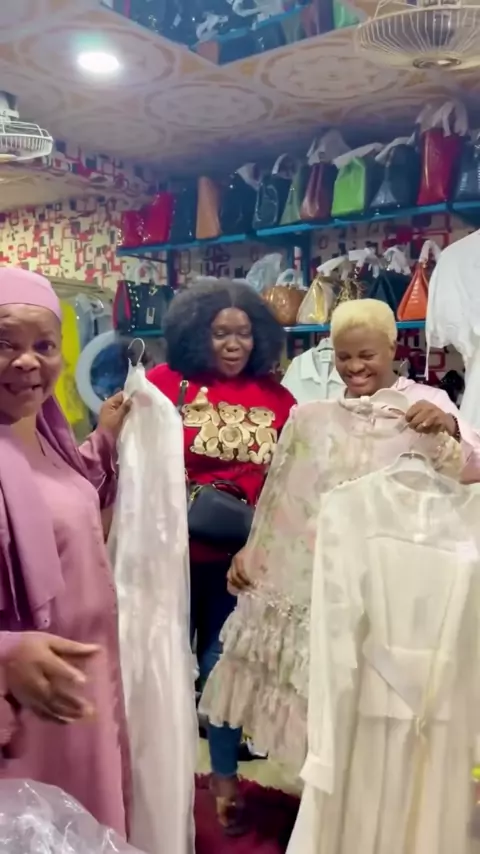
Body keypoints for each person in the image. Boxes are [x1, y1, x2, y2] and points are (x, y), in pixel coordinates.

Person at [147, 278, 295, 834]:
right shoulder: (165, 384)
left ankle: (225, 781)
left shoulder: (279, 400)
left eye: (244, 333)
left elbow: (289, 482)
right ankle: (154, 783)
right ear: (195, 333)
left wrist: (265, 549)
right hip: (168, 556)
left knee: (223, 670)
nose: (234, 344)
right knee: (158, 668)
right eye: (220, 333)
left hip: (239, 564)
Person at [0, 267, 131, 837]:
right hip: (25, 702)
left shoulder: (43, 433)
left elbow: (67, 497)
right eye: (6, 344)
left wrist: (104, 439)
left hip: (80, 683)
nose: (28, 362)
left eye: (44, 346)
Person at [228, 297, 480, 593]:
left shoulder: (429, 403)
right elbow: (294, 498)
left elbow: (471, 474)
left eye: (366, 355)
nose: (355, 366)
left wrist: (450, 426)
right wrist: (257, 549)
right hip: (337, 569)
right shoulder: (323, 416)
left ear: (391, 348)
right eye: (344, 357)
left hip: (408, 568)